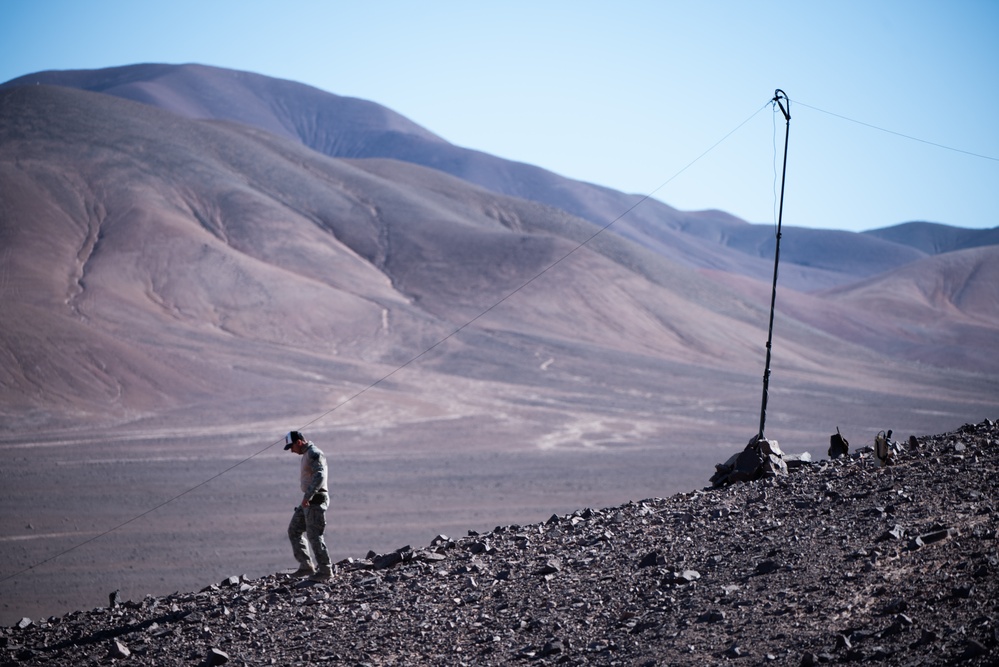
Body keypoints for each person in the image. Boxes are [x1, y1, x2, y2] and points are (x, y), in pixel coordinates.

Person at [284, 430, 333, 581]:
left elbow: (319, 476)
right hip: (309, 499)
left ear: (299, 442)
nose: (292, 451)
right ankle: (306, 566)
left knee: (314, 535)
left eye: (292, 447)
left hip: (316, 499)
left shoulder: (314, 453)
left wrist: (308, 497)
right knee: (294, 530)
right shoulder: (306, 454)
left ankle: (325, 571)